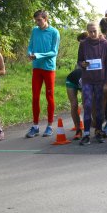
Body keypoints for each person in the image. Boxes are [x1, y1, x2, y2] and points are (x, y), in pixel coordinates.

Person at [25, 10, 60, 138]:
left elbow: (54, 52)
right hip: (37, 68)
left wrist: (38, 55)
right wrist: (29, 53)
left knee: (49, 96)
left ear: (45, 19)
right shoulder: (35, 30)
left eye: (39, 20)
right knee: (35, 97)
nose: (37, 22)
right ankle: (35, 126)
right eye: (36, 20)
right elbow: (30, 46)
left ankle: (50, 125)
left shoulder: (54, 32)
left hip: (49, 68)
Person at [77, 22, 107, 145]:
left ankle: (99, 131)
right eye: (90, 31)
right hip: (87, 79)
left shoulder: (105, 44)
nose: (92, 33)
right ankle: (86, 133)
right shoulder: (83, 44)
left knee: (99, 106)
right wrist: (82, 64)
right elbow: (79, 60)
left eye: (94, 31)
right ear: (87, 31)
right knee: (87, 105)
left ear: (98, 31)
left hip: (100, 80)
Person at [66, 31, 89, 140]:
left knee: (86, 103)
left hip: (85, 79)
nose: (81, 45)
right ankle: (78, 129)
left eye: (82, 42)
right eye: (80, 43)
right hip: (72, 79)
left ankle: (91, 125)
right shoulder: (81, 52)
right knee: (74, 104)